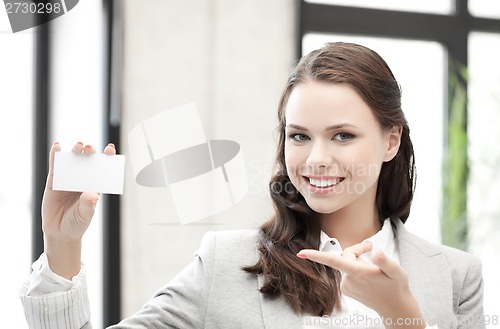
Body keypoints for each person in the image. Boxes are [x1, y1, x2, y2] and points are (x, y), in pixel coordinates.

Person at [20, 42, 484, 329]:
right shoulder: (227, 263)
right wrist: (63, 246)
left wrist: (402, 317)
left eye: (342, 135)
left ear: (390, 141)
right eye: (299, 136)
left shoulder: (455, 277)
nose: (316, 159)